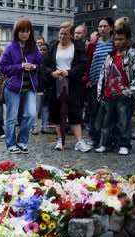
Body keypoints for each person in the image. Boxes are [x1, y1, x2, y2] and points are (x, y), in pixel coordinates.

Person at [43, 22, 91, 152]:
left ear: (71, 35)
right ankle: (60, 139)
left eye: (65, 34)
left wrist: (69, 73)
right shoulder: (53, 47)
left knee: (74, 112)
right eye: (61, 33)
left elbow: (83, 64)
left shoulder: (78, 47)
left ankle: (79, 141)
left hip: (73, 84)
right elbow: (45, 65)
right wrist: (51, 73)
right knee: (56, 112)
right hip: (55, 84)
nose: (62, 36)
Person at [0, 18, 42, 154]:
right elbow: (2, 67)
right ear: (17, 32)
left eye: (27, 31)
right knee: (11, 118)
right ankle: (11, 144)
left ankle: (22, 141)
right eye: (22, 31)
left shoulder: (34, 47)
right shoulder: (10, 48)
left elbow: (41, 65)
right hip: (13, 88)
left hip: (30, 88)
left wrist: (34, 66)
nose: (25, 34)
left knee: (30, 115)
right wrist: (20, 66)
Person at [95, 24, 135, 155]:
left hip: (123, 94)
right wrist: (100, 92)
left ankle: (124, 144)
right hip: (109, 94)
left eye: (121, 39)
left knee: (124, 122)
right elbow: (103, 74)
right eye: (116, 39)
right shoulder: (110, 55)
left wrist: (129, 91)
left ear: (128, 40)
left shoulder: (133, 55)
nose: (118, 42)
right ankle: (105, 144)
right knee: (106, 122)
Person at [83, 17, 114, 147]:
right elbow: (88, 63)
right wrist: (87, 79)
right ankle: (94, 138)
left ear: (111, 28)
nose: (102, 29)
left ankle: (109, 140)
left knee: (110, 113)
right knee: (94, 112)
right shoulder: (93, 44)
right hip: (94, 84)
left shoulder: (115, 43)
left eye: (105, 26)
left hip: (110, 85)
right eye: (100, 26)